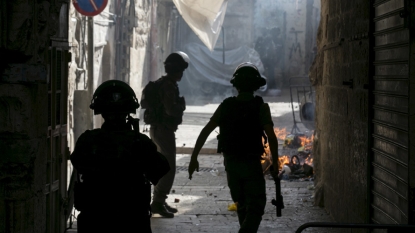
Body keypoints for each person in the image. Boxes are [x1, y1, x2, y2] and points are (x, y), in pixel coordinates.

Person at [188, 62, 280, 233]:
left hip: (231, 165)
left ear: (236, 85)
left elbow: (205, 131)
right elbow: (272, 138)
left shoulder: (226, 106)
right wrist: (275, 162)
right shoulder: (261, 107)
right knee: (256, 206)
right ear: (256, 86)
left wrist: (194, 158)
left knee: (242, 205)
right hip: (251, 164)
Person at [70, 80, 170, 232]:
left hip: (95, 220)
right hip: (132, 220)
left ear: (100, 111)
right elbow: (160, 169)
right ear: (129, 111)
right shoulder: (140, 142)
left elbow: (78, 166)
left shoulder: (87, 140)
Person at [148, 52, 188, 218]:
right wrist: (181, 106)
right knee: (169, 168)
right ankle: (157, 202)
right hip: (163, 130)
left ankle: (159, 200)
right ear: (177, 71)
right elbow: (170, 110)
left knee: (163, 166)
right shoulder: (168, 86)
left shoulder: (164, 83)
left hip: (160, 129)